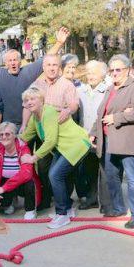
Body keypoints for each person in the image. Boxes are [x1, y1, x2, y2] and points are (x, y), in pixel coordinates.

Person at [90, 55, 134, 228]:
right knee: (112, 176)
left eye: (118, 69)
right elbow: (102, 113)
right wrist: (94, 132)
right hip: (109, 141)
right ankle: (118, 207)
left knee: (132, 178)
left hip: (127, 141)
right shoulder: (110, 88)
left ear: (128, 70)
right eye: (112, 70)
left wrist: (117, 117)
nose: (115, 73)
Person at [20, 87, 91, 229]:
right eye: (27, 100)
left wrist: (34, 158)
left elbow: (50, 141)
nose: (30, 102)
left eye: (33, 99)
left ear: (41, 100)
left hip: (76, 145)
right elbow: (25, 136)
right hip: (64, 148)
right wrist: (9, 141)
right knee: (56, 175)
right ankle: (68, 208)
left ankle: (62, 215)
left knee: (55, 175)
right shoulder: (35, 117)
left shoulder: (49, 112)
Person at [26, 54, 80, 210]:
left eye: (55, 65)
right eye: (48, 65)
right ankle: (46, 198)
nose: (51, 68)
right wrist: (25, 125)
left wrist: (68, 110)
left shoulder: (67, 85)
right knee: (43, 167)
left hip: (62, 135)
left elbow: (74, 104)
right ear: (43, 67)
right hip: (44, 134)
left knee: (63, 171)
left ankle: (65, 202)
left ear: (59, 68)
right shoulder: (36, 84)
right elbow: (28, 105)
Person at [0, 122, 42, 219]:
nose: (4, 137)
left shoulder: (23, 148)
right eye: (1, 134)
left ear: (14, 135)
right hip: (6, 182)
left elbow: (26, 174)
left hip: (21, 184)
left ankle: (30, 210)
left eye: (8, 134)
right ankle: (9, 203)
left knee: (29, 182)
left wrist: (3, 188)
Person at [76, 61, 109, 210]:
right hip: (85, 137)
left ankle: (105, 201)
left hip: (102, 136)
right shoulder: (80, 91)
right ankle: (91, 198)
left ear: (102, 75)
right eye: (88, 73)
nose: (90, 76)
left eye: (94, 73)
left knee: (103, 170)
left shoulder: (108, 91)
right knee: (88, 169)